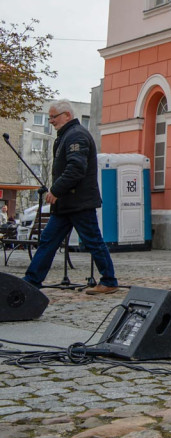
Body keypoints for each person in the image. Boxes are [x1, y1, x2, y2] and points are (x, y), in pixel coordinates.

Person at [23, 100, 120, 294]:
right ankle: (31, 281)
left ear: (67, 115)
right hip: (67, 203)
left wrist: (56, 190)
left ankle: (109, 281)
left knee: (93, 241)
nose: (50, 121)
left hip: (78, 203)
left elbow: (76, 169)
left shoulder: (76, 136)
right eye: (49, 117)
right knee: (48, 241)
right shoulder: (68, 135)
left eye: (53, 117)